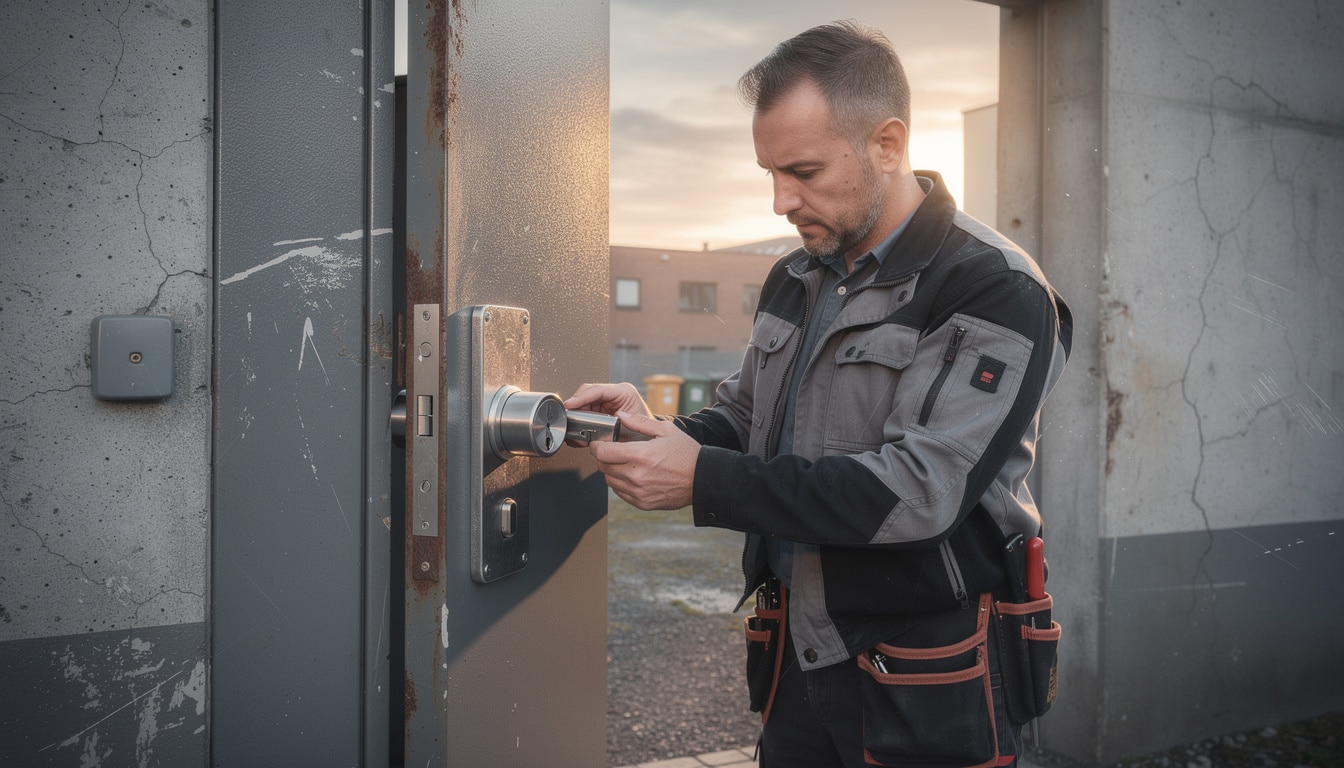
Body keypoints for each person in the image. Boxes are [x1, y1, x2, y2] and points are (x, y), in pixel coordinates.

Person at [568, 20, 1072, 768]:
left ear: (889, 144)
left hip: (930, 669)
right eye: (770, 173)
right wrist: (656, 434)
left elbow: (920, 492)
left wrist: (704, 480)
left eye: (803, 171)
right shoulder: (797, 274)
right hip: (799, 656)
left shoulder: (993, 287)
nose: (781, 201)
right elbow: (747, 418)